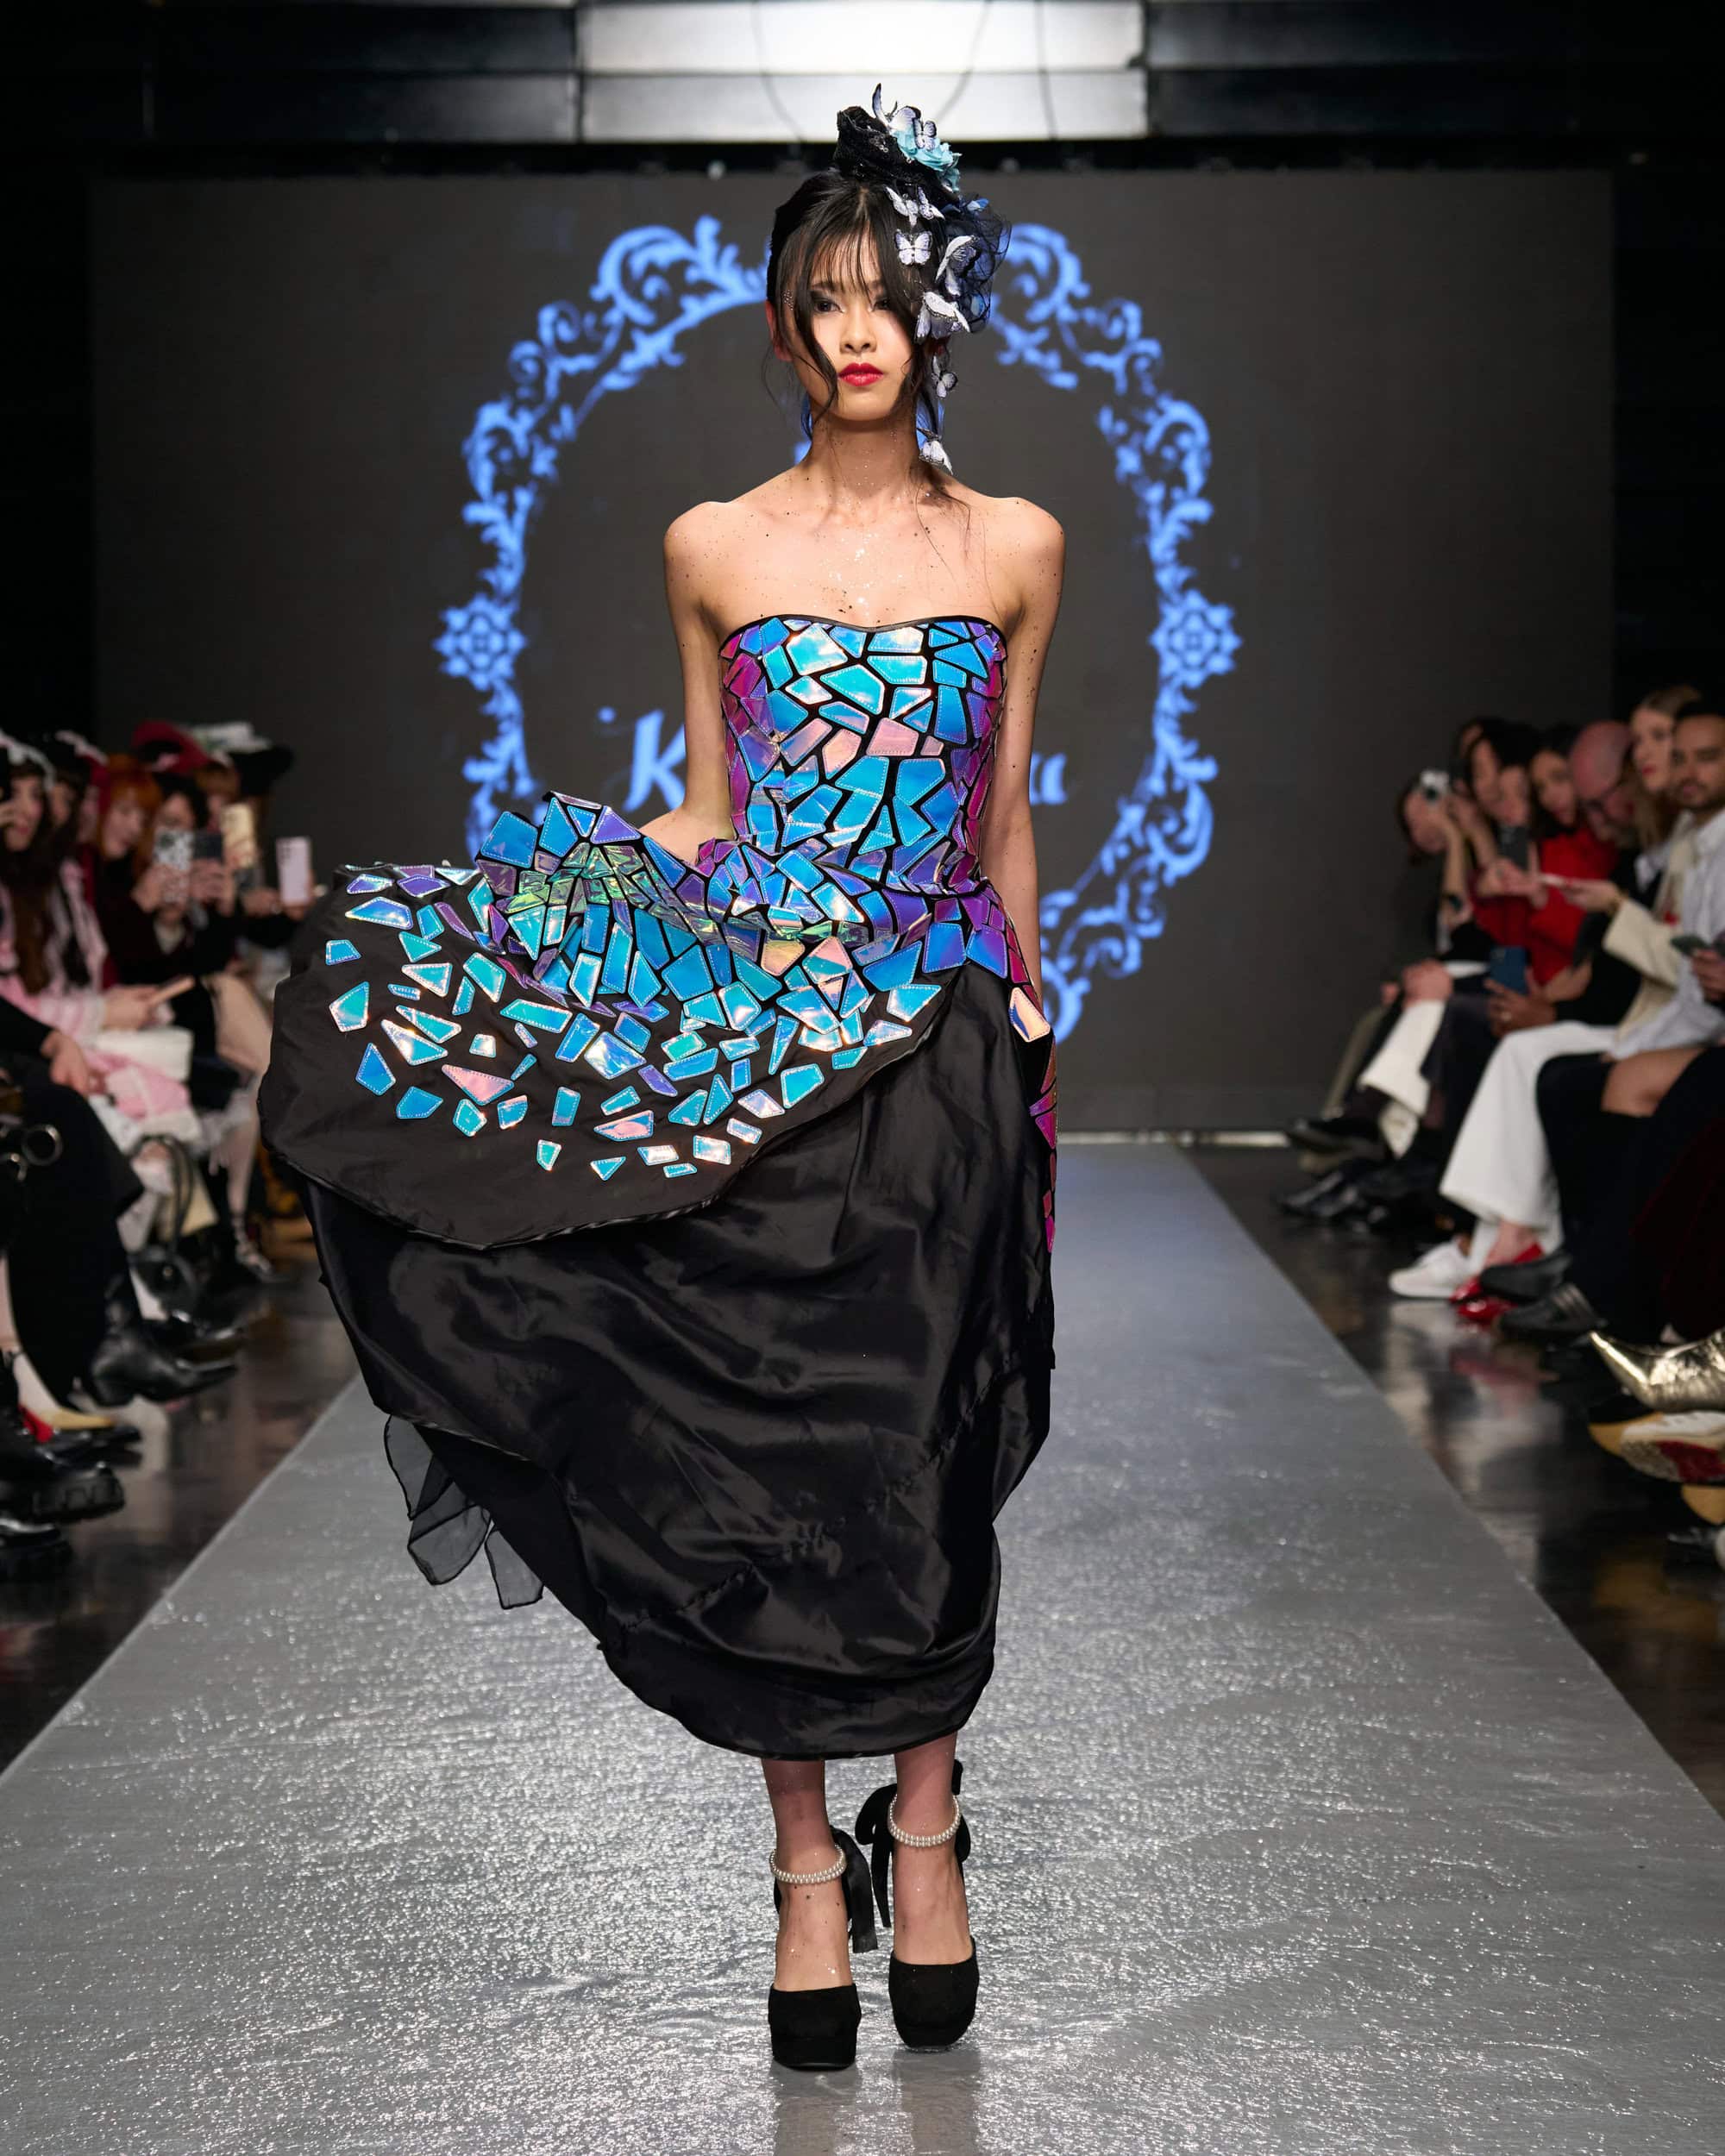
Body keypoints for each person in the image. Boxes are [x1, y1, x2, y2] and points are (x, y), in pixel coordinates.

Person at [262, 88, 1058, 2073]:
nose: (859, 328)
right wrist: (556, 910)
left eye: (889, 293)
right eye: (825, 297)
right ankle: (803, 1866)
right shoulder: (713, 541)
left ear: (940, 313)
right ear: (786, 326)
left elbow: (1006, 815)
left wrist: (1037, 1015)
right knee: (767, 1448)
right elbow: (711, 806)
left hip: (949, 1041)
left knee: (927, 1437)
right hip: (762, 1036)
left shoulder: (1018, 544)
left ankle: (926, 1824)